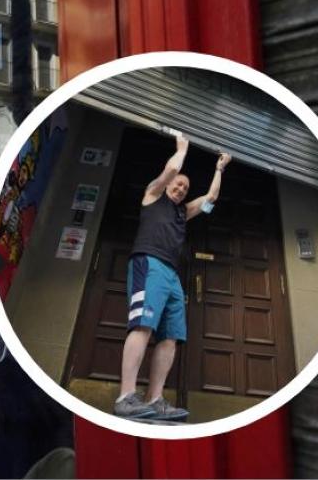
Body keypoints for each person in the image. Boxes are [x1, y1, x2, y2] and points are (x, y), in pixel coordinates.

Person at [114, 133, 231, 421]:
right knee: (143, 325)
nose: (180, 187)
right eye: (178, 183)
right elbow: (169, 171)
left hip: (171, 274)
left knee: (171, 336)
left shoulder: (183, 213)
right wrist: (182, 148)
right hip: (148, 264)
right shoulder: (152, 195)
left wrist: (220, 168)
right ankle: (126, 396)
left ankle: (155, 400)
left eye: (185, 187)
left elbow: (212, 199)